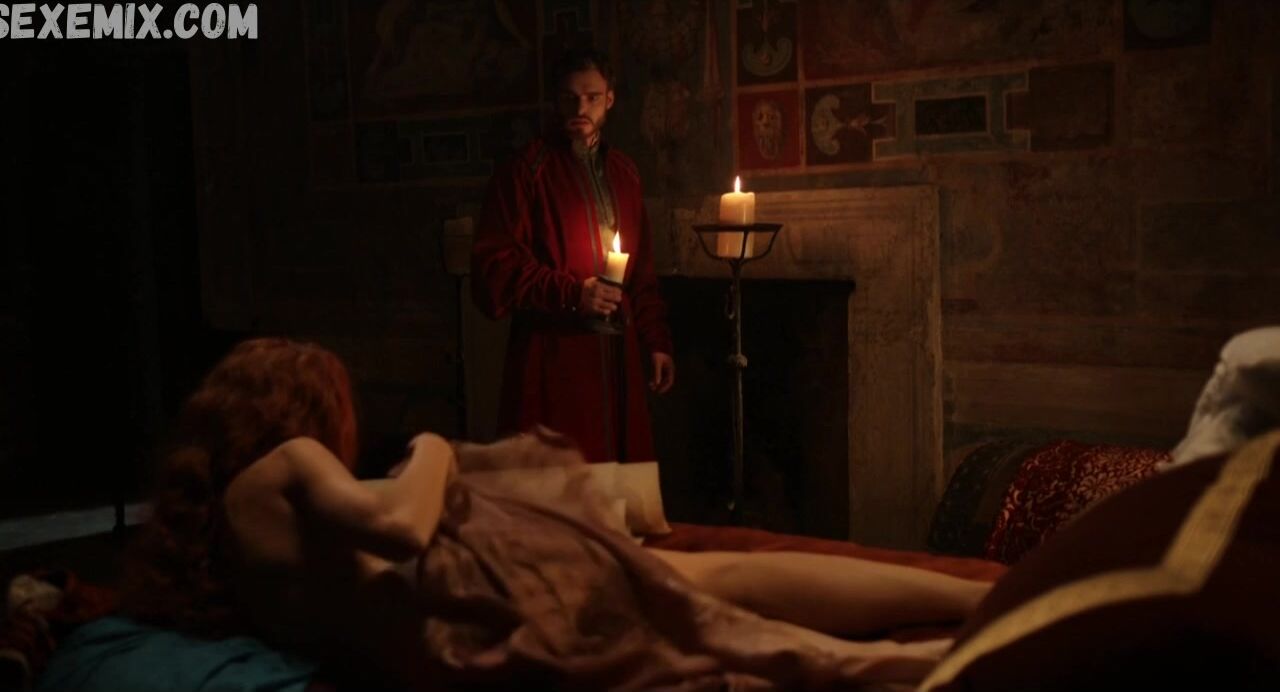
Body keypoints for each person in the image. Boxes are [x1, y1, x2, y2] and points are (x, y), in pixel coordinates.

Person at [121, 338, 990, 690]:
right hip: (470, 601)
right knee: (702, 596)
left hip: (451, 650)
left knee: (701, 620)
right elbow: (399, 526)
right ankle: (967, 621)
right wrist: (434, 449)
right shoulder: (285, 460)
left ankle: (928, 649)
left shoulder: (229, 556)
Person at [471, 46, 674, 463]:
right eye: (570, 98)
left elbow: (641, 273)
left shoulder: (625, 174)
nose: (581, 108)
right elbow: (493, 269)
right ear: (555, 100)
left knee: (618, 485)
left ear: (609, 99)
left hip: (617, 361)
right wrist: (571, 293)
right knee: (557, 486)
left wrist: (656, 341)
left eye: (592, 97)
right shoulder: (525, 172)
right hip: (553, 361)